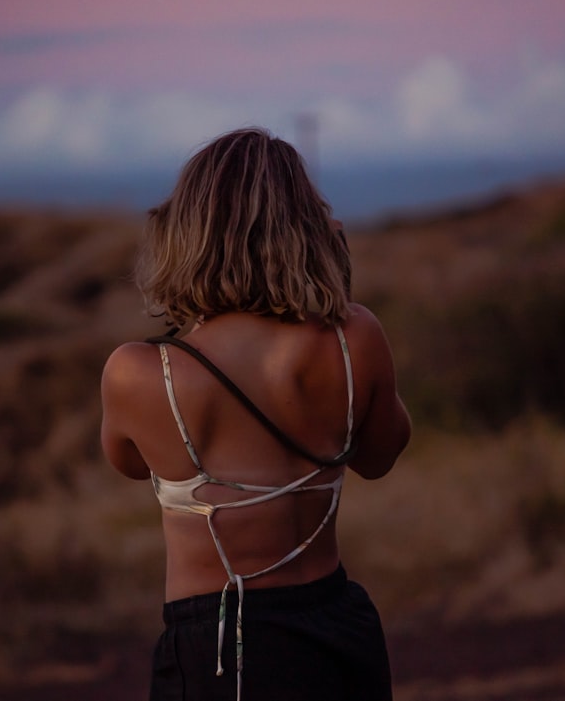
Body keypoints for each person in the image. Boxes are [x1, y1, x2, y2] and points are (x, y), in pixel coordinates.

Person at [100, 128, 411, 701]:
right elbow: (381, 456)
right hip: (338, 624)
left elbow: (127, 463)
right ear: (309, 229)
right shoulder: (354, 337)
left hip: (224, 646)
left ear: (186, 233)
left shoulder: (142, 371)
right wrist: (335, 288)